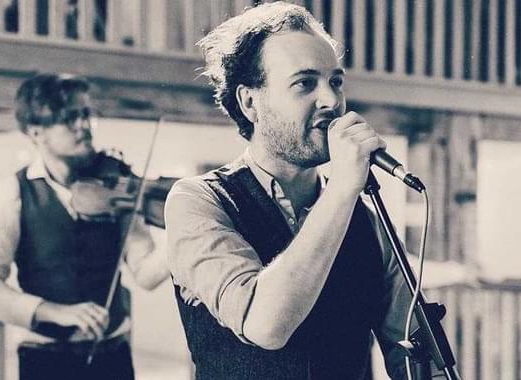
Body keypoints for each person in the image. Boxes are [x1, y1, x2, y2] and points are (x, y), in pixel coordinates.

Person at [165, 3, 472, 379]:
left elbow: (412, 351)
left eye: (336, 81)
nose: (331, 100)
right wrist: (343, 187)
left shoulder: (365, 218)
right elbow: (265, 325)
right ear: (250, 103)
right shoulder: (198, 202)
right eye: (305, 83)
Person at [0, 73, 169, 379]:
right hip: (45, 360)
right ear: (36, 131)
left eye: (86, 113)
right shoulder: (14, 191)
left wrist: (181, 238)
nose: (84, 125)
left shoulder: (115, 184)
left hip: (113, 355)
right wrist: (52, 311)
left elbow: (145, 273)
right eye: (68, 118)